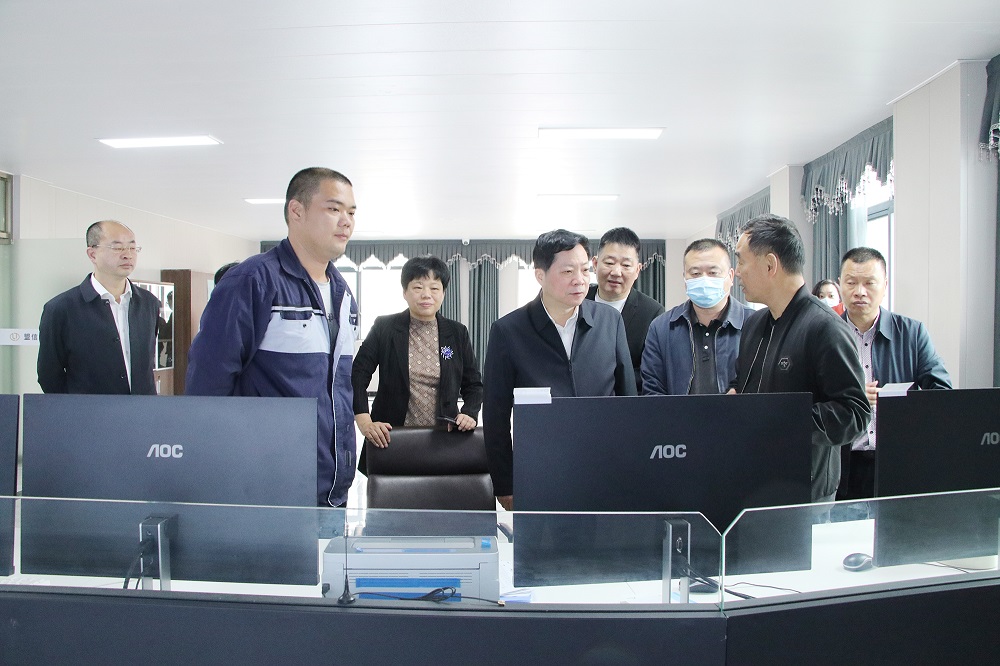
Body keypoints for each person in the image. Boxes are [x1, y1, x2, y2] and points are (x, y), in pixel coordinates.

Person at [186, 167, 359, 508]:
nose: (346, 222)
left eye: (352, 213)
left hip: (331, 486)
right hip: (266, 485)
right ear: (297, 211)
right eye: (334, 209)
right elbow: (207, 385)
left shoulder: (343, 293)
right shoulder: (252, 281)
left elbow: (337, 388)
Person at [483, 229, 636, 510]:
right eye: (567, 271)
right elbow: (495, 416)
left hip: (605, 469)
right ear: (540, 275)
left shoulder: (610, 321)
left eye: (585, 269)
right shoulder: (509, 331)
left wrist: (632, 465)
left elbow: (628, 401)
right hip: (540, 474)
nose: (580, 279)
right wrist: (505, 483)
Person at [730, 214, 870, 502]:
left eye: (741, 261)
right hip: (754, 480)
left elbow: (855, 412)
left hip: (804, 494)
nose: (738, 272)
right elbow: (744, 386)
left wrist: (784, 420)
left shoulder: (825, 328)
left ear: (770, 265)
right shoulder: (754, 324)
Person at [837, 247, 952, 500]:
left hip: (897, 459)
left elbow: (942, 394)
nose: (859, 291)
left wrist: (900, 402)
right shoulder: (826, 334)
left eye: (869, 283)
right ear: (840, 284)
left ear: (885, 285)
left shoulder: (912, 333)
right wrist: (850, 397)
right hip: (840, 464)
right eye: (851, 282)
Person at [352, 255, 483, 472]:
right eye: (418, 287)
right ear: (405, 292)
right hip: (391, 438)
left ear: (443, 293)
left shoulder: (457, 333)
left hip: (443, 439)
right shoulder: (385, 327)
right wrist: (365, 421)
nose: (426, 295)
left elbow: (474, 385)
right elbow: (358, 374)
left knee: (440, 492)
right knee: (391, 493)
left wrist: (469, 413)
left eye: (434, 288)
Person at [37, 220, 160, 395]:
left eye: (132, 248)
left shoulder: (149, 303)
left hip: (141, 409)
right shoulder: (61, 309)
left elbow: (147, 366)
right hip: (88, 411)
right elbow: (49, 375)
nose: (128, 255)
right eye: (117, 248)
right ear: (92, 254)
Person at [641, 238, 755, 395]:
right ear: (684, 278)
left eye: (713, 272)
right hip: (677, 412)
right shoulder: (661, 327)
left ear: (730, 276)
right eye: (695, 273)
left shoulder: (754, 324)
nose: (704, 280)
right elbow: (652, 390)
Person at [585, 227, 664, 392]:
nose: (616, 272)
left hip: (630, 400)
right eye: (609, 263)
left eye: (626, 265)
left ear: (637, 270)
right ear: (595, 264)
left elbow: (651, 370)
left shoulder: (652, 313)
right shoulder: (578, 301)